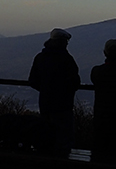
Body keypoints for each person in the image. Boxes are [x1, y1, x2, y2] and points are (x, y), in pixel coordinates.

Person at [28, 28, 80, 157]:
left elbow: (33, 80)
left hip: (45, 103)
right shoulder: (67, 59)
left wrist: (46, 89)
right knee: (63, 139)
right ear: (62, 42)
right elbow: (75, 82)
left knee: (46, 135)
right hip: (63, 105)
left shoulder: (40, 57)